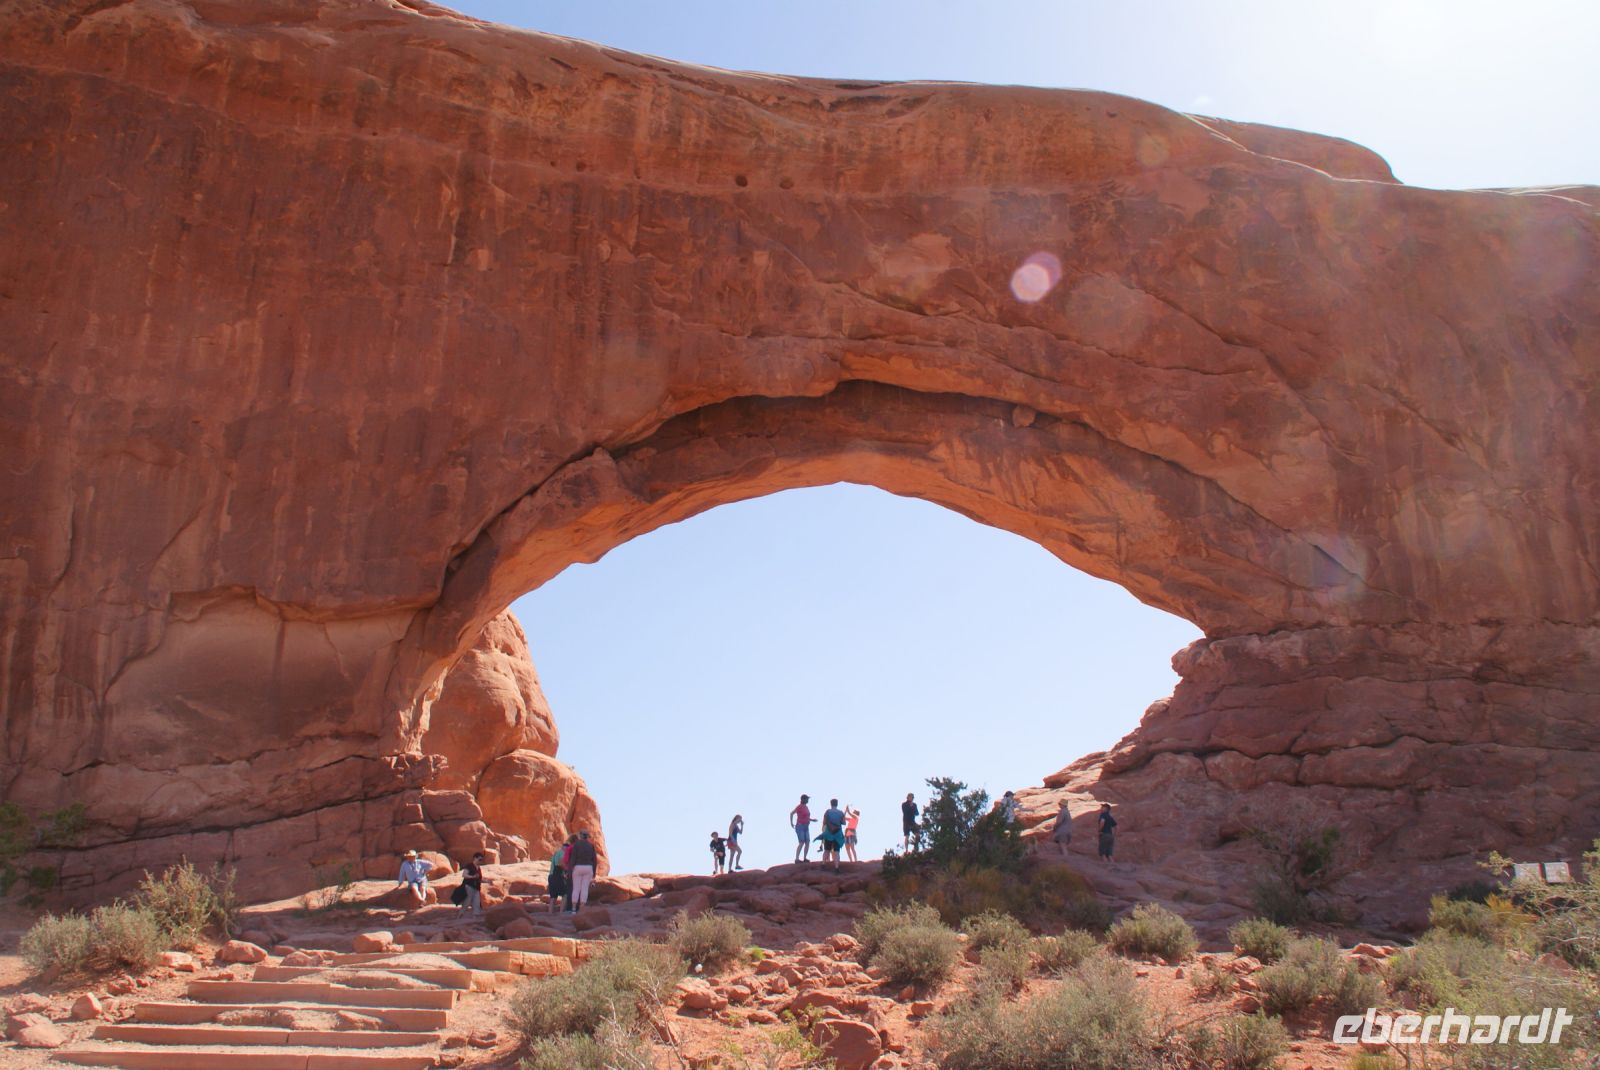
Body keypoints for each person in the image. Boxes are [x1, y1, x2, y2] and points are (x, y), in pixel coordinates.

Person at [567, 829, 598, 911]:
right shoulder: (591, 846)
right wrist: (594, 873)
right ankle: (582, 908)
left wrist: (570, 870)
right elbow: (594, 860)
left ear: (580, 836)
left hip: (578, 867)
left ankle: (573, 908)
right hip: (588, 867)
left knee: (576, 888)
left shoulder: (576, 845)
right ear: (587, 837)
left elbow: (573, 858)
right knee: (584, 888)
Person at [819, 798, 847, 872]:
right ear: (837, 804)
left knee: (827, 850)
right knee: (836, 851)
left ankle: (823, 864)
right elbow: (844, 823)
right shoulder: (840, 813)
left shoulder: (827, 812)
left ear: (831, 804)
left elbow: (824, 822)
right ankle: (836, 867)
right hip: (837, 834)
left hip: (828, 834)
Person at [546, 839, 569, 914]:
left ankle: (550, 913)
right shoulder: (562, 853)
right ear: (565, 848)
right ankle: (561, 912)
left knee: (553, 896)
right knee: (565, 894)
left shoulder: (555, 854)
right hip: (558, 875)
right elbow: (560, 863)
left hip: (551, 876)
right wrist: (568, 869)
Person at [790, 794, 812, 863]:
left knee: (807, 842)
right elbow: (792, 813)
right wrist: (791, 823)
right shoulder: (799, 807)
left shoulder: (806, 807)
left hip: (806, 826)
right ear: (803, 799)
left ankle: (805, 858)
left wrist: (811, 820)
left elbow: (806, 816)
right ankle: (797, 859)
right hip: (800, 826)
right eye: (807, 799)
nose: (807, 800)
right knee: (802, 842)